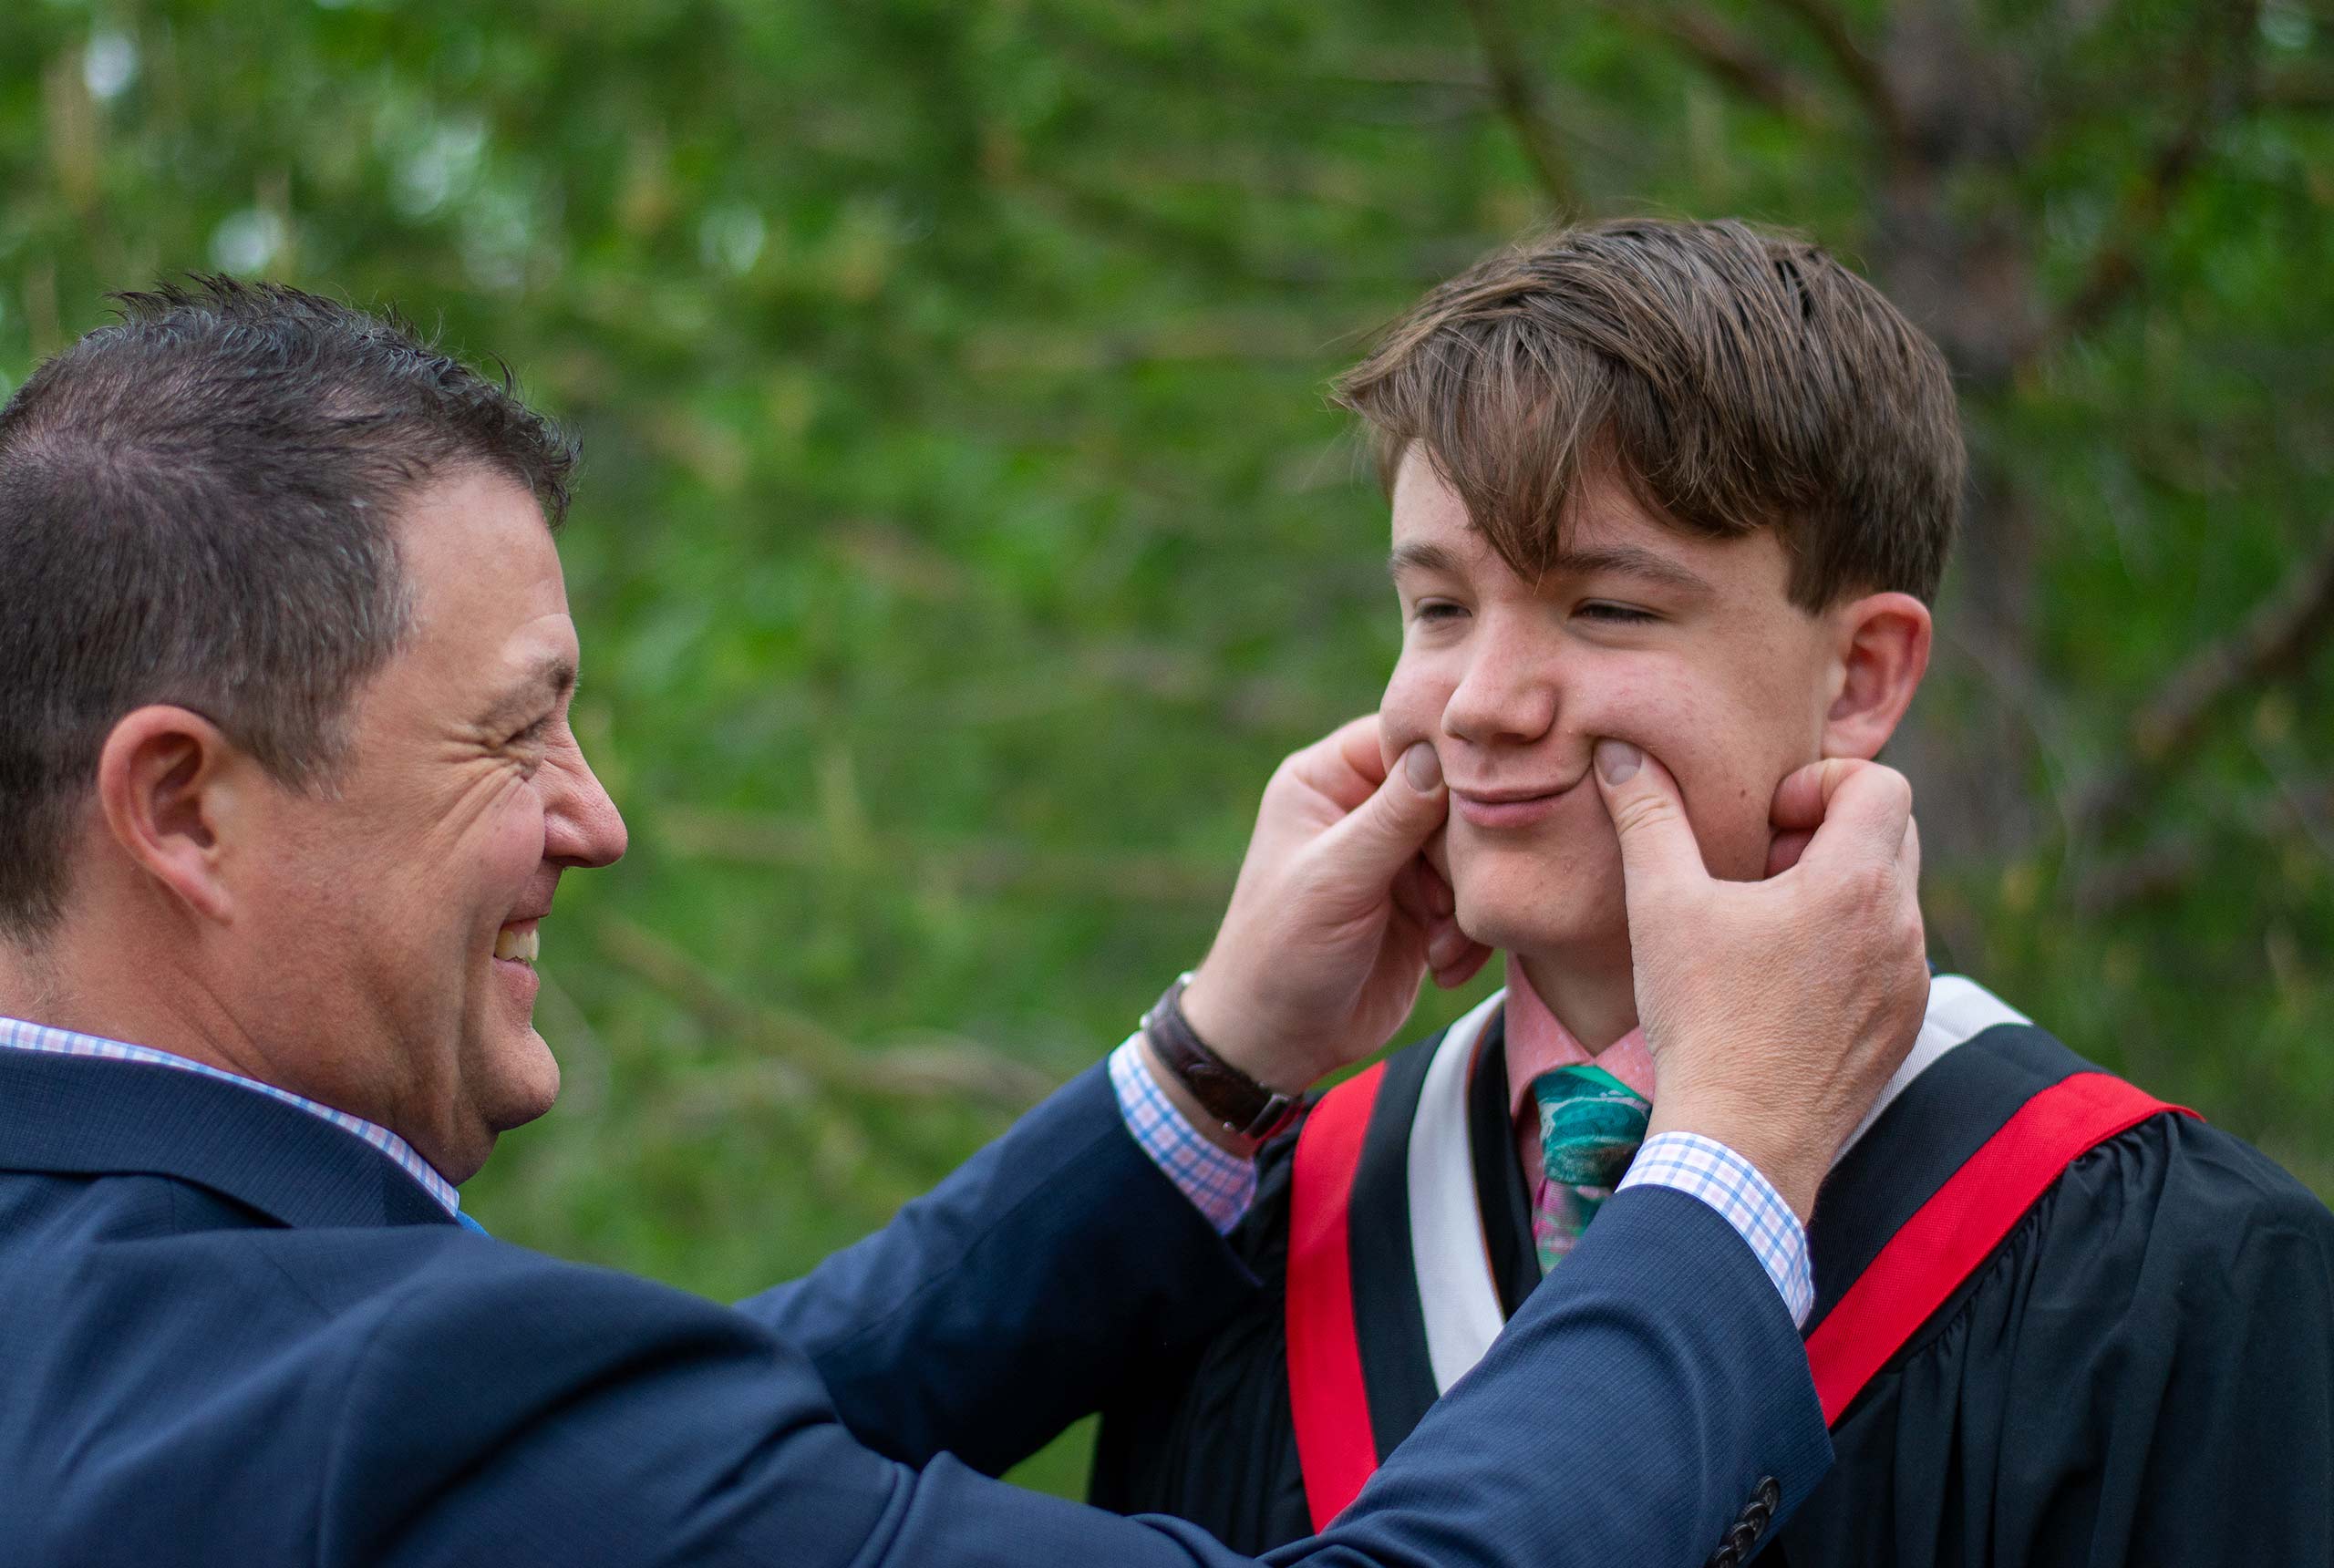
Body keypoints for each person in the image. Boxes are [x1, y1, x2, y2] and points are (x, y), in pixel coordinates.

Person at [0, 279, 1934, 1567]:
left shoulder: (143, 1327)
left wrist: (1204, 1071)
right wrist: (1729, 1165)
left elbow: (705, 1442)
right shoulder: (383, 1406)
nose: (595, 815)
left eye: (1598, 604)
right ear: (184, 806)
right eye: (513, 732)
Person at [1091, 220, 2334, 1566]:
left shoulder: (2176, 1280)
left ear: (1859, 676)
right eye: (1440, 609)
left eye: (1608, 609)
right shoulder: (1270, 1247)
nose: (1487, 707)